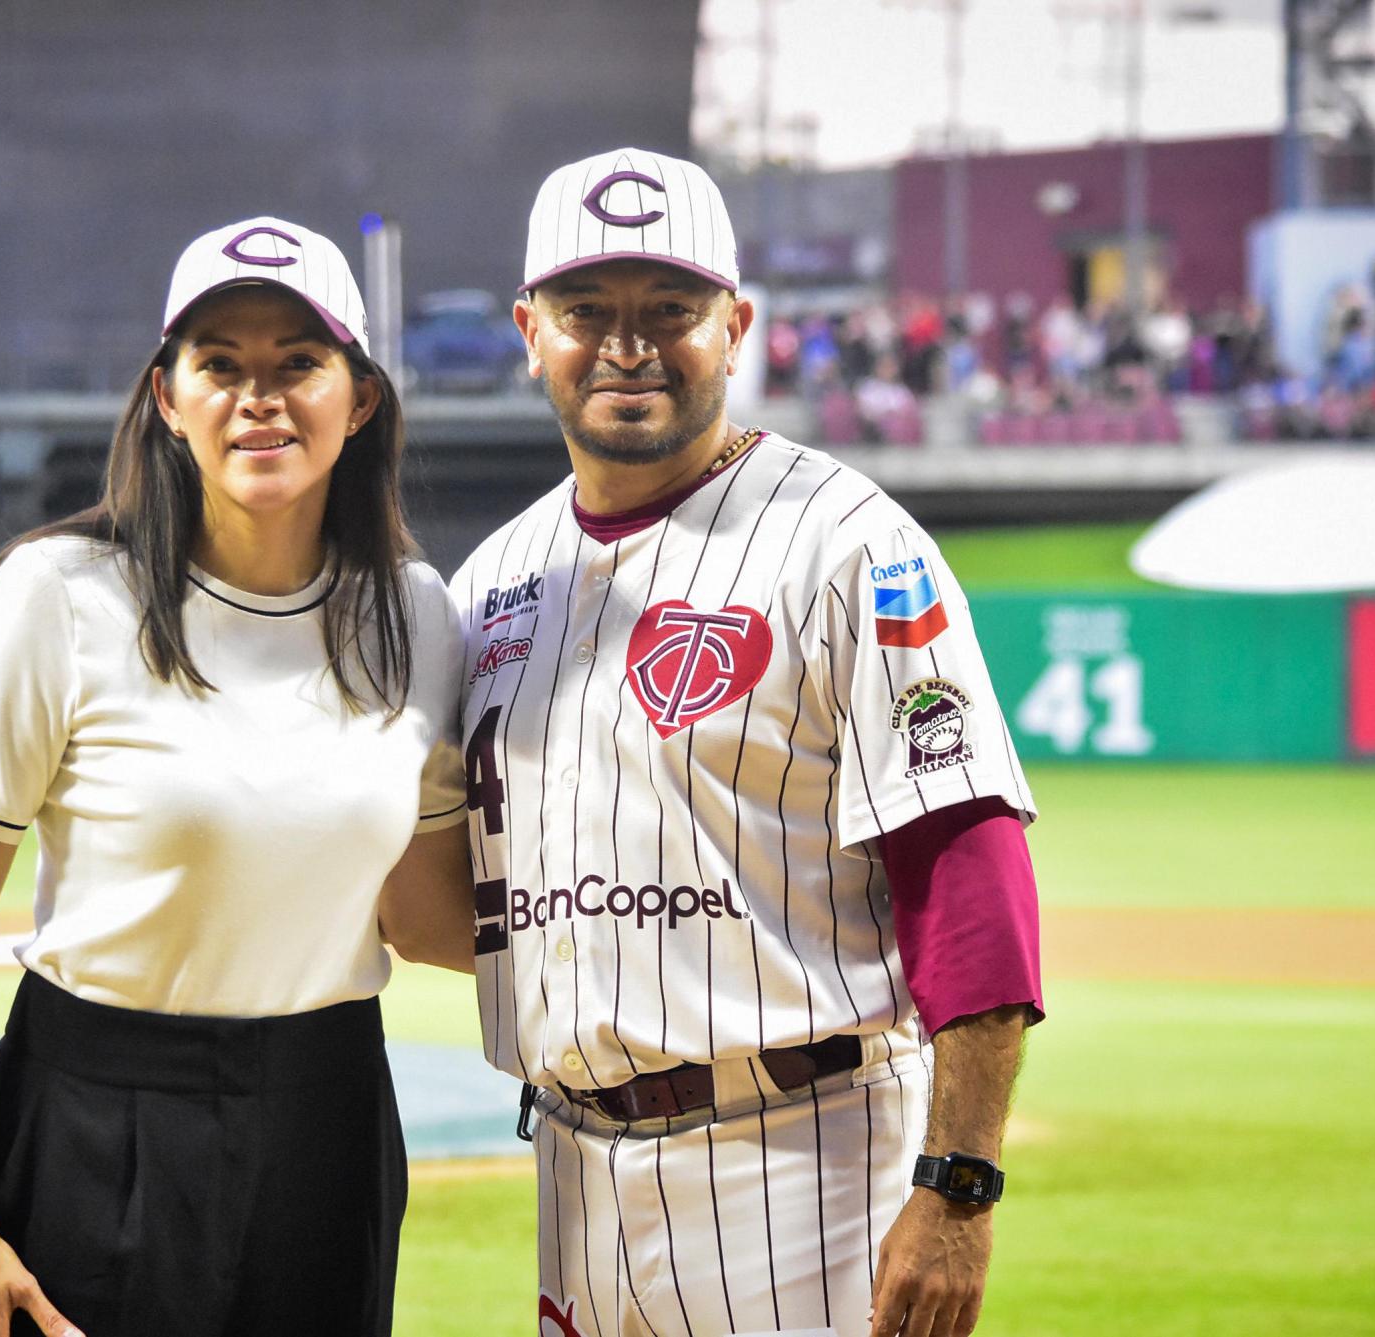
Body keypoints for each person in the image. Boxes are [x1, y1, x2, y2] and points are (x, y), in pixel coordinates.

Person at [440, 148, 1044, 1337]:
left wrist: (958, 1187)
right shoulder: (490, 582)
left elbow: (966, 862)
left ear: (735, 324)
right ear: (527, 330)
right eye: (584, 311)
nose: (627, 344)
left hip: (804, 1164)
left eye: (669, 310)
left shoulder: (846, 540)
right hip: (573, 1168)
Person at [0, 216, 473, 1337]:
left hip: (331, 1116)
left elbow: (421, 914)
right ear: (168, 398)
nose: (258, 393)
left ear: (358, 399)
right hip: (92, 1111)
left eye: (297, 362)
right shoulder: (57, 595)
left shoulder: (414, 615)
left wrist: (651, 941)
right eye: (220, 363)